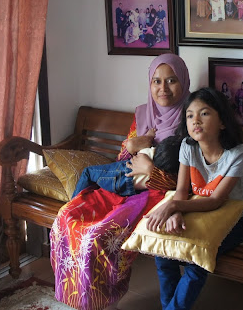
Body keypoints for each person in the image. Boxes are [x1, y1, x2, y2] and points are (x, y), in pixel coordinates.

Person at [51, 55, 191, 310]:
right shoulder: (143, 114)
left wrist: (152, 172)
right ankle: (79, 298)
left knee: (99, 235)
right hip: (124, 184)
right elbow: (123, 160)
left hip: (158, 195)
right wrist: (132, 145)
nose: (163, 88)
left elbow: (189, 180)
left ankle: (105, 301)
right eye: (156, 81)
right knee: (66, 217)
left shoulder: (191, 120)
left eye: (171, 80)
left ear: (183, 81)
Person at [148, 87, 243, 310]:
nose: (195, 120)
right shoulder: (188, 147)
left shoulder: (238, 154)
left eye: (204, 113)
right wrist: (175, 212)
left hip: (237, 217)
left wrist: (173, 206)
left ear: (222, 122)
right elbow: (181, 190)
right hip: (199, 209)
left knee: (197, 257)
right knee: (163, 251)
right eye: (190, 116)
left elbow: (217, 200)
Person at [71, 133, 183, 198]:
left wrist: (148, 137)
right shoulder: (172, 178)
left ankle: (72, 204)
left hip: (122, 173)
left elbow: (135, 150)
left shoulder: (150, 153)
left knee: (88, 172)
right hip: (131, 189)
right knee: (98, 181)